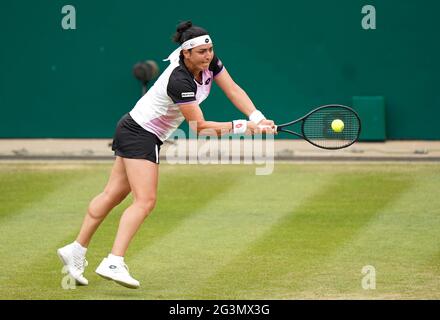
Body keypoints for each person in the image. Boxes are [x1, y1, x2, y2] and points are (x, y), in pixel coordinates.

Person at [57, 20, 276, 289]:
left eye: (210, 50)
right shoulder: (179, 79)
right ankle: (114, 260)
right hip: (140, 134)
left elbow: (233, 89)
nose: (208, 56)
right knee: (145, 201)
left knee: (112, 194)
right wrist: (243, 127)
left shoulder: (211, 64)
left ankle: (76, 250)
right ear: (186, 53)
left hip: (134, 128)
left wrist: (258, 117)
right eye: (201, 52)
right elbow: (200, 128)